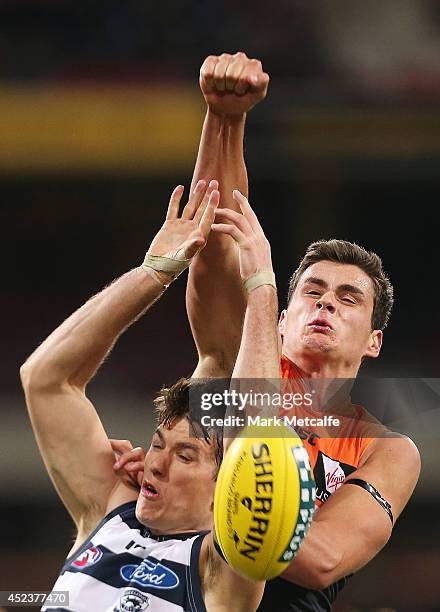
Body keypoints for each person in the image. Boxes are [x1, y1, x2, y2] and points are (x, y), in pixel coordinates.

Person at [184, 52, 421, 611]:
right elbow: (215, 242)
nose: (326, 305)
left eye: (348, 299)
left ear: (373, 341)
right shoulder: (234, 360)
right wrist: (226, 120)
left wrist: (203, 490)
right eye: (312, 292)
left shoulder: (387, 450)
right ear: (281, 318)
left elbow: (325, 560)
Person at [19, 181, 279, 612]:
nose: (154, 463)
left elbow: (256, 449)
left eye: (186, 456)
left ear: (226, 488)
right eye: (159, 444)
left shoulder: (218, 573)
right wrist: (153, 274)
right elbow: (45, 380)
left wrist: (261, 289)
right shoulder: (110, 509)